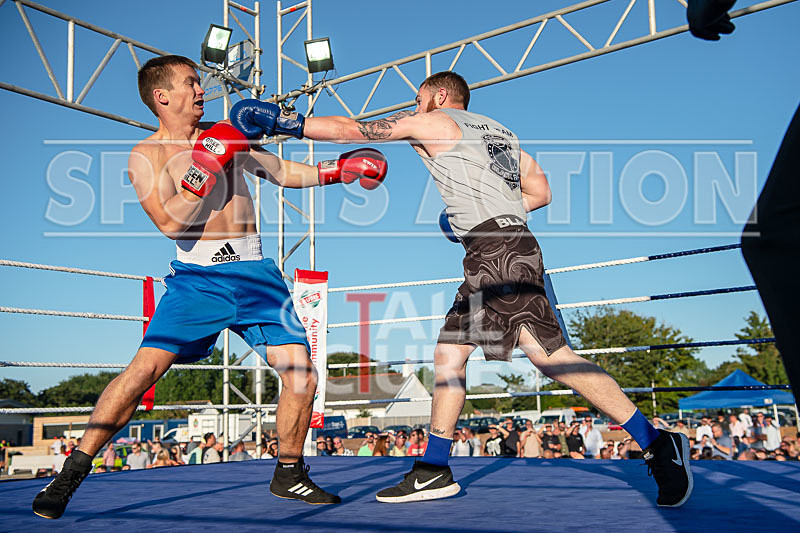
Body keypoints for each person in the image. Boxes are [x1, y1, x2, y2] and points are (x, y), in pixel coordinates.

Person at [231, 71, 693, 507]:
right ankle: (434, 467)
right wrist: (483, 216)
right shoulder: (500, 134)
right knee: (449, 354)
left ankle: (657, 444)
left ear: (438, 96)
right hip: (495, 246)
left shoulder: (436, 119)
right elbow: (542, 191)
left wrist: (287, 122)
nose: (414, 107)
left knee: (550, 358)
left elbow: (359, 131)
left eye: (417, 99)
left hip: (500, 251)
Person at [30, 55, 386, 518]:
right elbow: (171, 223)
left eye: (200, 83)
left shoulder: (227, 131)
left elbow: (282, 172)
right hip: (198, 280)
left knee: (302, 374)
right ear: (162, 96)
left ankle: (289, 474)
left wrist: (339, 172)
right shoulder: (146, 156)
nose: (202, 90)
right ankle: (71, 473)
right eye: (191, 84)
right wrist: (209, 162)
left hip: (257, 275)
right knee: (142, 374)